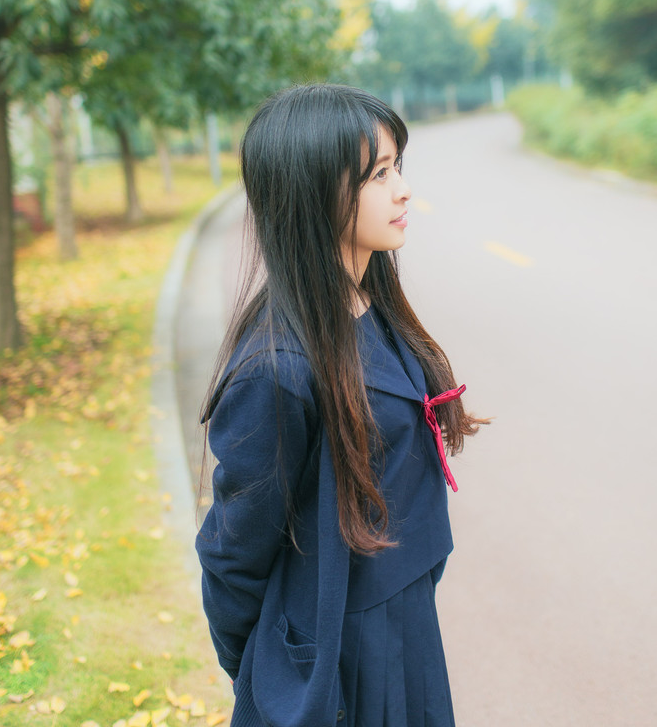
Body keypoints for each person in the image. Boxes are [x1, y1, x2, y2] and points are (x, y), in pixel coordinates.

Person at [195, 84, 488, 727]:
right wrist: (274, 675)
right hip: (342, 665)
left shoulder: (367, 304)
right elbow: (231, 555)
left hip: (404, 624)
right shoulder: (276, 371)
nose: (403, 190)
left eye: (398, 167)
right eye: (379, 174)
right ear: (314, 192)